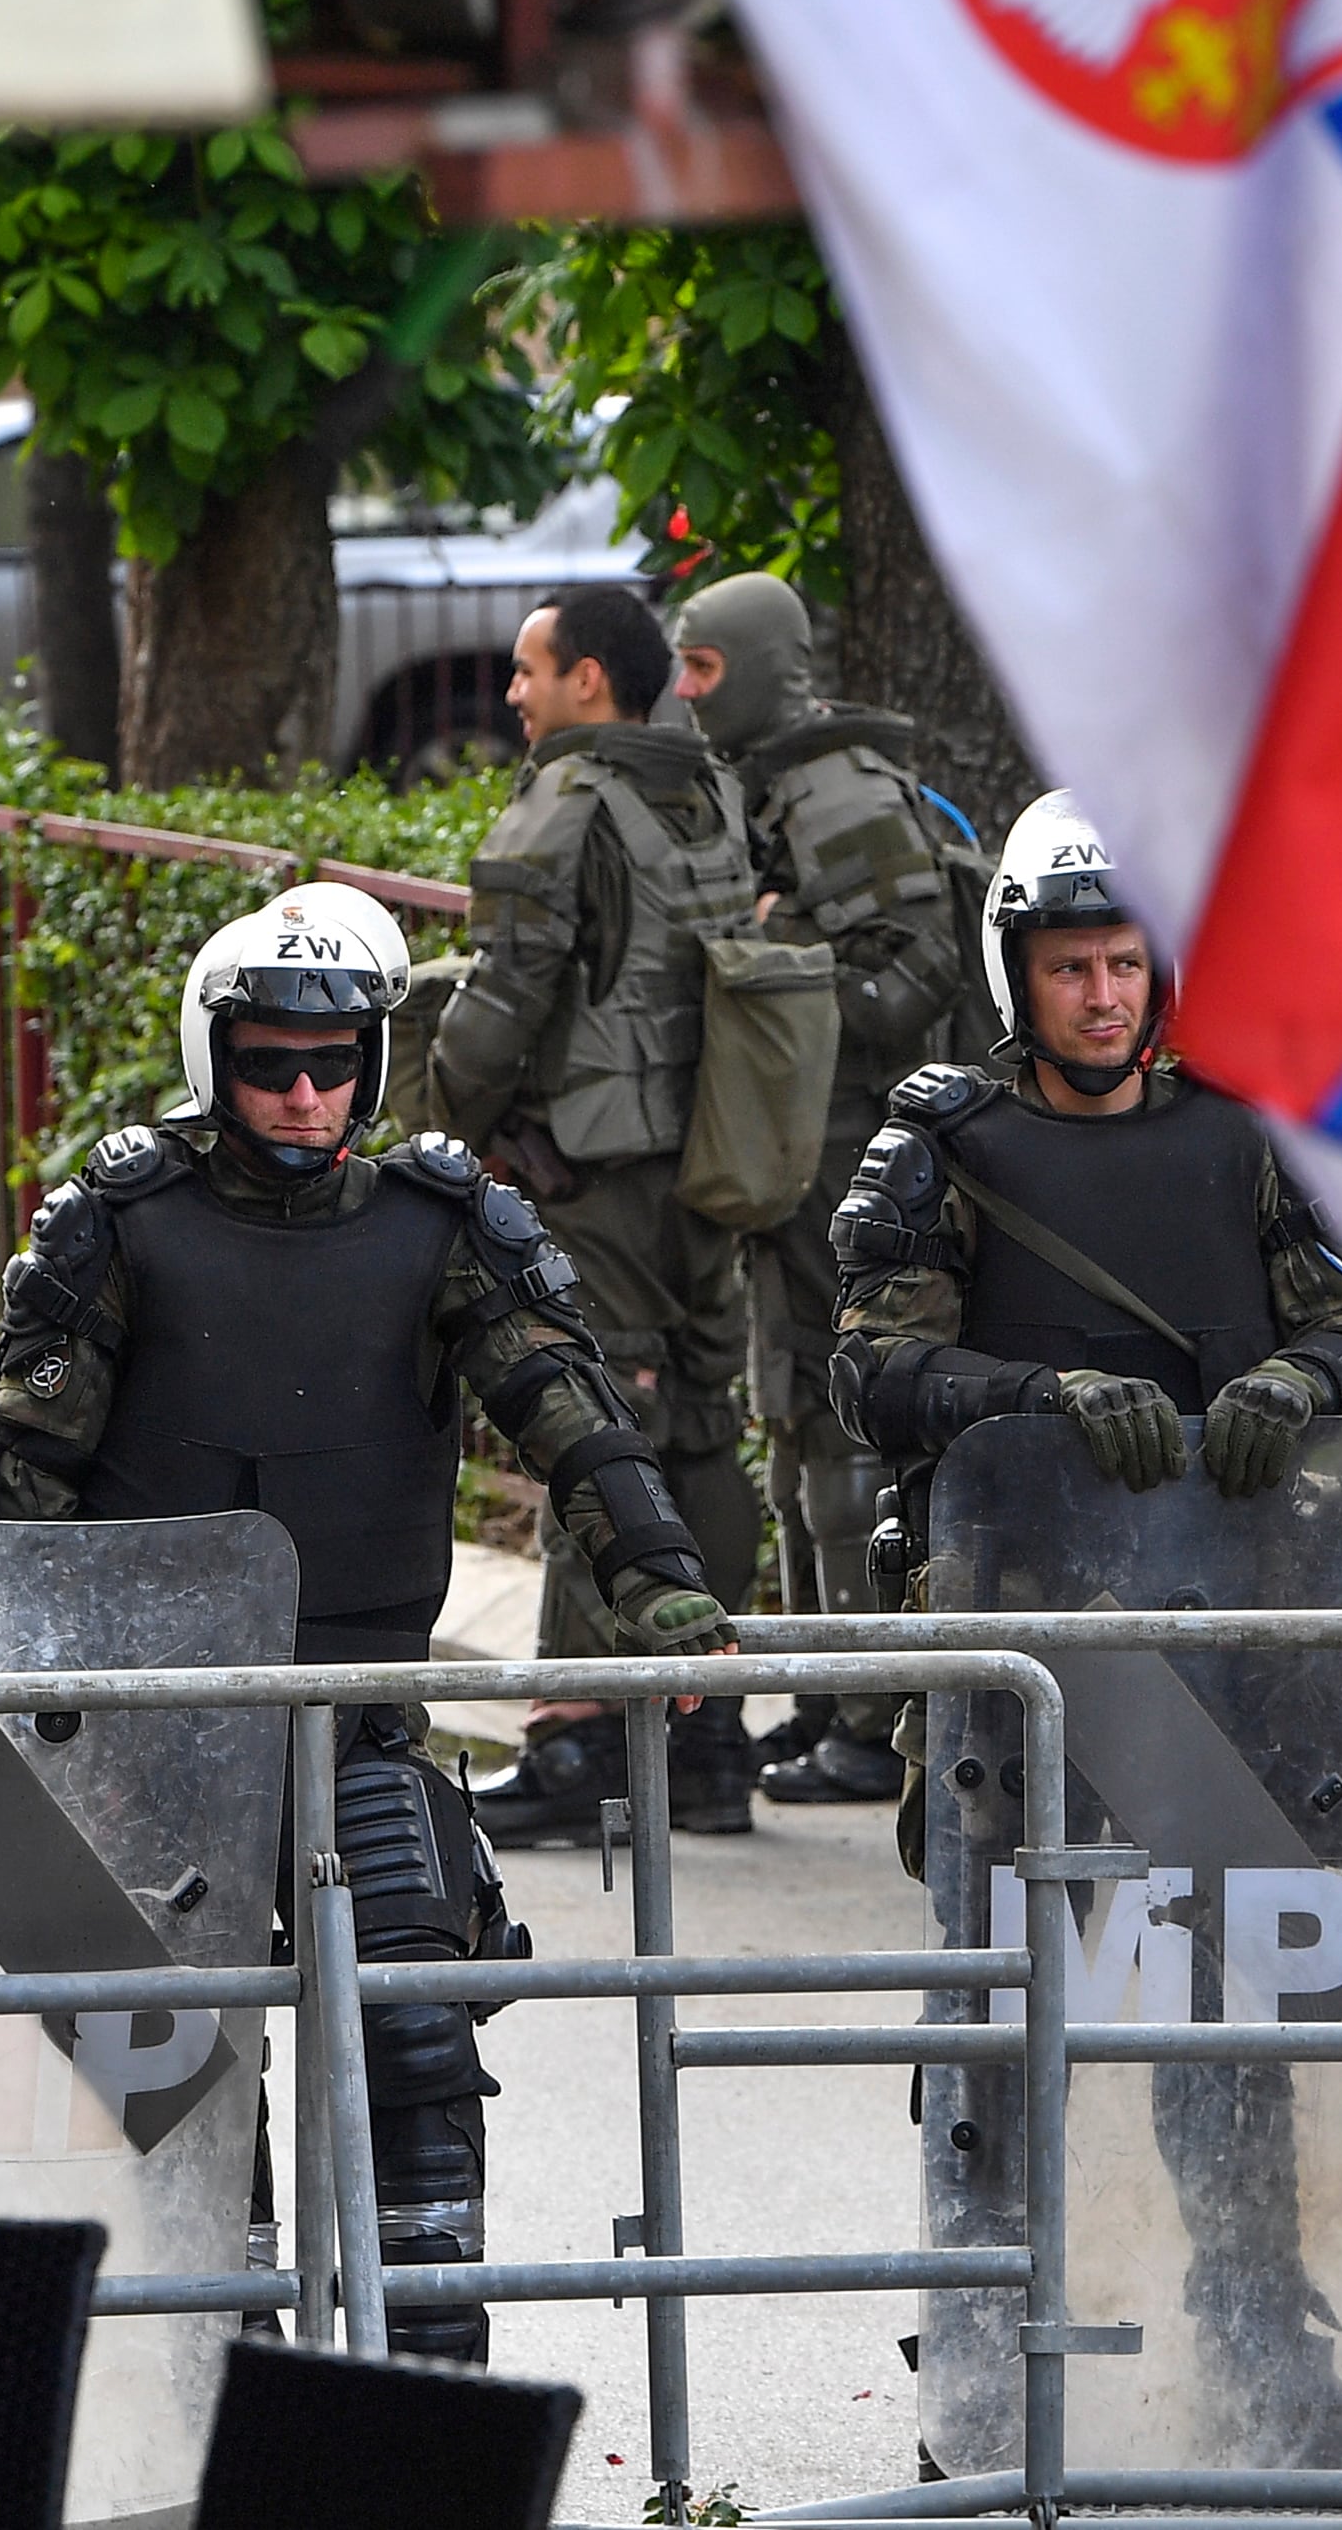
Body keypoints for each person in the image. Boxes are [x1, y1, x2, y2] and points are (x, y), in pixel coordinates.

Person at [0, 880, 732, 2366]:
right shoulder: (116, 1222)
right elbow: (16, 1491)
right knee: (171, 2074)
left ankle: (428, 2401)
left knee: (420, 2038)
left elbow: (571, 1410)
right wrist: (46, 1706)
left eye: (336, 1061)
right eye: (270, 1060)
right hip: (153, 1733)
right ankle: (204, 2380)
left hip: (363, 1714)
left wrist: (662, 1580)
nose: (307, 1091)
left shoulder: (442, 1222)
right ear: (214, 1054)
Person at [834, 792, 1342, 2466]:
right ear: (1016, 972)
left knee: (1231, 2010)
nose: (1103, 992)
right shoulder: (941, 1139)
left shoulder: (1252, 1129)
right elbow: (870, 1361)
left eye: (1127, 960)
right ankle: (982, 2355)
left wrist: (1305, 1374)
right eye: (1072, 963)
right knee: (1004, 2015)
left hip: (1234, 1645)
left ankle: (1257, 2334)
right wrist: (1039, 1398)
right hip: (1021, 1665)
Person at [433, 582, 772, 1845]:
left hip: (595, 1173)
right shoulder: (708, 789)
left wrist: (441, 1121)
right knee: (697, 1422)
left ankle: (578, 1740)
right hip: (713, 1158)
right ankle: (709, 1736)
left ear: (589, 681)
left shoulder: (568, 796)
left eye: (530, 670)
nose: (513, 692)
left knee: (593, 1426)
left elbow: (506, 992)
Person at [666, 569, 980, 1806]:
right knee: (797, 1422)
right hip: (795, 1153)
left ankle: (869, 1714)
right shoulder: (767, 781)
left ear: (751, 664)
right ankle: (823, 1691)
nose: (687, 695)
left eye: (701, 669)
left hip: (845, 1150)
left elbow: (915, 965)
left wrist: (775, 1004)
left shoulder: (833, 788)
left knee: (843, 1429)